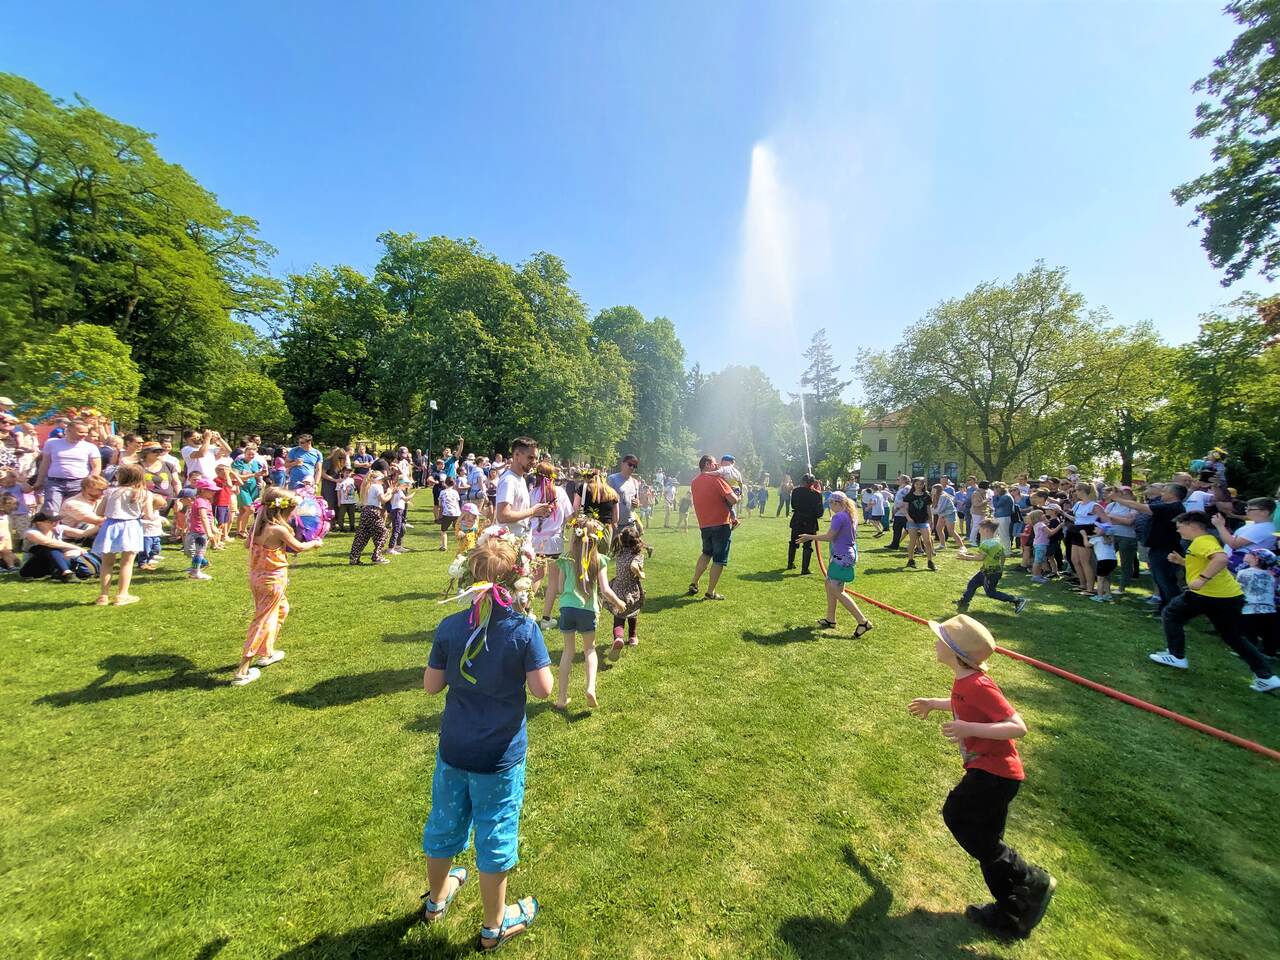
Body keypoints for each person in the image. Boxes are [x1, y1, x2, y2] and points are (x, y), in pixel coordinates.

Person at [421, 538, 552, 951]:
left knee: (444, 821)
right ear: (518, 579)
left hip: (454, 749)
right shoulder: (524, 629)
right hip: (500, 757)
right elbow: (543, 689)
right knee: (495, 831)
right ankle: (493, 926)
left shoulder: (450, 627)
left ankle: (436, 901)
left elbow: (430, 686)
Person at [908, 615, 1056, 939]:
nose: (935, 642)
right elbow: (964, 704)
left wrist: (968, 729)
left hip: (996, 774)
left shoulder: (978, 684)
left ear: (954, 651)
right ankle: (1011, 912)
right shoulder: (965, 682)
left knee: (958, 815)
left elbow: (1018, 726)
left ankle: (1031, 878)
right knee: (987, 842)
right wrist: (936, 703)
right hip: (989, 772)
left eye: (940, 638)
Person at [1148, 512, 1280, 692]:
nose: (1178, 531)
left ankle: (1176, 656)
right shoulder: (1205, 540)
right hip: (1228, 596)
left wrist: (1202, 579)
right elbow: (1206, 563)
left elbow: (1221, 559)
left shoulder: (1203, 541)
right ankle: (1266, 676)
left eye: (1180, 527)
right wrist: (1182, 562)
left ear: (1193, 526)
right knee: (1232, 636)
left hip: (1208, 594)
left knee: (1171, 613)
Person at [232, 487, 324, 686]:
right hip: (271, 581)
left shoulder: (258, 525)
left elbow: (248, 545)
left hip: (258, 577)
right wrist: (315, 543)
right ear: (282, 510)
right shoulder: (278, 529)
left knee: (282, 609)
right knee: (262, 620)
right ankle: (242, 670)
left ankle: (267, 652)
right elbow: (299, 547)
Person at [555, 516, 624, 709]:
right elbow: (605, 590)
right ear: (596, 539)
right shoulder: (599, 559)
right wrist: (619, 603)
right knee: (590, 650)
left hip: (567, 608)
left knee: (568, 651)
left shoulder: (566, 559)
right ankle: (590, 688)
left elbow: (560, 587)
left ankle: (561, 698)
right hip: (588, 610)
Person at [795, 490, 873, 637]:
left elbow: (830, 536)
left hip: (841, 557)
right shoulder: (851, 514)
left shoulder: (839, 516)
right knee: (829, 584)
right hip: (846, 555)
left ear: (836, 503)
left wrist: (809, 537)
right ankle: (830, 619)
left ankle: (863, 622)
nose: (829, 506)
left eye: (830, 503)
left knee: (838, 590)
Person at [1109, 484, 1188, 612]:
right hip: (1158, 548)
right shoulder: (1168, 506)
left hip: (1166, 550)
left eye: (1165, 490)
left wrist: (1117, 499)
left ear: (1173, 494)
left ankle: (1174, 611)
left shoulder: (1172, 507)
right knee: (1161, 581)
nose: (1162, 493)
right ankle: (1164, 609)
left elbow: (1139, 507)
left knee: (1166, 582)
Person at [91, 464, 153, 606]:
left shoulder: (111, 492)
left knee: (107, 563)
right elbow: (149, 515)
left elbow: (99, 512)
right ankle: (122, 595)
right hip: (131, 526)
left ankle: (103, 596)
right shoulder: (145, 493)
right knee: (127, 563)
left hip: (110, 526)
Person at [687, 455, 739, 600]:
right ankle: (711, 592)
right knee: (719, 559)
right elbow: (733, 500)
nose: (717, 467)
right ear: (707, 464)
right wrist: (737, 493)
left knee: (706, 553)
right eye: (715, 464)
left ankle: (694, 582)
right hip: (720, 524)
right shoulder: (717, 479)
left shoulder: (694, 482)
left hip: (704, 524)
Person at [530, 461, 572, 630]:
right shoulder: (560, 492)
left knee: (535, 575)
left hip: (535, 539)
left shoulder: (532, 493)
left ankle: (526, 609)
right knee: (553, 580)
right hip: (554, 541)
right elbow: (570, 517)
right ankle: (546, 618)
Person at [958, 519, 1028, 615]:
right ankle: (964, 601)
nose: (979, 531)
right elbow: (1003, 556)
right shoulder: (998, 542)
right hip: (990, 570)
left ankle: (1017, 600)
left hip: (990, 573)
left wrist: (965, 557)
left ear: (986, 530)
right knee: (973, 583)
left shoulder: (985, 544)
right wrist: (1001, 566)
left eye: (980, 529)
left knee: (991, 592)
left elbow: (980, 558)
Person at [35, 418, 101, 515]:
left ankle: (73, 530)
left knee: (76, 512)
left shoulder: (90, 447)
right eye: (81, 432)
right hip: (55, 483)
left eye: (86, 432)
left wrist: (89, 484)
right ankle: (52, 529)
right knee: (51, 511)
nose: (84, 435)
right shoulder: (52, 443)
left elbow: (96, 467)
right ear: (69, 431)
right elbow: (45, 463)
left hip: (79, 483)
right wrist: (39, 481)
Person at [495, 438, 552, 539]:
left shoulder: (520, 478)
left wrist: (538, 512)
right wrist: (532, 511)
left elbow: (517, 512)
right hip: (508, 543)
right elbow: (502, 516)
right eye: (530, 457)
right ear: (517, 455)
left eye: (535, 458)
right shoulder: (509, 480)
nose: (534, 462)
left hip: (519, 540)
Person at [608, 524, 649, 657]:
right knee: (633, 613)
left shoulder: (620, 553)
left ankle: (618, 637)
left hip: (618, 588)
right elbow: (633, 566)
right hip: (632, 589)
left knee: (619, 616)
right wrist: (641, 574)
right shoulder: (637, 556)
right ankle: (633, 637)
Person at [20, 511, 97, 580]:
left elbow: (82, 534)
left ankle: (70, 572)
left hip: (53, 563)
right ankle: (66, 572)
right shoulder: (31, 532)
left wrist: (100, 525)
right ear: (39, 523)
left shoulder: (59, 528)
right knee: (48, 548)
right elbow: (48, 542)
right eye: (52, 521)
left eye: (58, 520)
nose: (56, 523)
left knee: (70, 554)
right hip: (33, 567)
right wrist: (77, 548)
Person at [1237, 547, 1278, 658]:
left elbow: (1239, 589)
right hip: (1270, 610)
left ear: (1256, 559)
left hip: (1250, 609)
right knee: (1269, 635)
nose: (1247, 554)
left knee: (1249, 633)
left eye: (1251, 553)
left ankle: (1248, 653)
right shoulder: (1271, 576)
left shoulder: (1244, 573)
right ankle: (1269, 653)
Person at [350, 469, 394, 565]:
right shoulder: (378, 486)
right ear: (378, 479)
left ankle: (354, 558)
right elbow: (382, 500)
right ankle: (377, 556)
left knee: (362, 536)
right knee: (383, 533)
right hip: (373, 512)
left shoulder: (368, 486)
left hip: (365, 512)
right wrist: (390, 493)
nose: (383, 481)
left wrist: (388, 492)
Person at [788, 474, 824, 574]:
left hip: (797, 519)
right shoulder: (817, 494)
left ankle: (790, 563)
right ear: (812, 482)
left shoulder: (795, 491)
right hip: (810, 522)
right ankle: (804, 569)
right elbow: (819, 512)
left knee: (793, 542)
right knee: (807, 545)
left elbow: (793, 505)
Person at [903, 476, 938, 571]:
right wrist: (909, 518)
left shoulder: (926, 495)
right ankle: (911, 560)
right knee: (913, 541)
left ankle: (930, 561)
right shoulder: (909, 496)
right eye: (917, 484)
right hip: (912, 521)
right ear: (913, 484)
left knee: (928, 541)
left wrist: (931, 520)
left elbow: (929, 509)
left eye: (921, 484)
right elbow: (905, 509)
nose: (919, 486)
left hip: (923, 521)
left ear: (924, 485)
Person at [186, 479, 217, 580]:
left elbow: (209, 517)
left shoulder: (206, 501)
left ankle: (196, 570)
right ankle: (198, 568)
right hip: (199, 531)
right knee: (196, 552)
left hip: (201, 531)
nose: (214, 492)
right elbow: (203, 517)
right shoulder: (200, 502)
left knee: (198, 552)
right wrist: (209, 532)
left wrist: (213, 528)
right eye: (211, 490)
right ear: (203, 490)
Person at [608, 455, 641, 530]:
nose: (632, 467)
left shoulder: (635, 482)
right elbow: (606, 500)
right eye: (630, 464)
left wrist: (637, 503)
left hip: (630, 524)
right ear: (622, 464)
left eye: (635, 466)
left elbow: (637, 500)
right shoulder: (612, 479)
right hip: (615, 524)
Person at [1088, 526, 1117, 603]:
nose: (1094, 530)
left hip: (1103, 561)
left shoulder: (1096, 539)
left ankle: (1099, 596)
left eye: (1095, 529)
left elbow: (1087, 545)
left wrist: (1084, 536)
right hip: (1113, 560)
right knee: (1105, 578)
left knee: (1100, 579)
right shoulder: (1110, 538)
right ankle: (1108, 595)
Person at [388, 478, 414, 555]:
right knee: (396, 530)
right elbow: (405, 499)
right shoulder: (399, 491)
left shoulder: (397, 491)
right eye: (407, 484)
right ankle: (391, 548)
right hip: (397, 511)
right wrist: (414, 493)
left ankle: (397, 546)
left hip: (397, 511)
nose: (408, 486)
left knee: (401, 529)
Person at [335, 468, 358, 533]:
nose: (347, 474)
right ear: (343, 473)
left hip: (352, 501)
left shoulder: (352, 480)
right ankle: (341, 527)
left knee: (352, 515)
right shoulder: (340, 481)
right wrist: (339, 501)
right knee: (341, 515)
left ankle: (352, 527)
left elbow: (355, 490)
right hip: (343, 501)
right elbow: (338, 492)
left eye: (349, 473)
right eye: (346, 472)